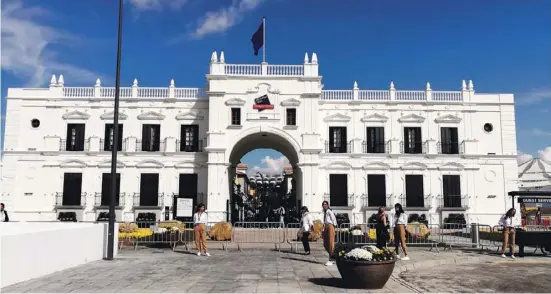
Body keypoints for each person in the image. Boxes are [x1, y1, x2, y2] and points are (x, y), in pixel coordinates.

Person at [322, 201, 338, 266]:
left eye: (325, 204)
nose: (324, 205)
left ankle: (331, 259)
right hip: (326, 226)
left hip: (330, 226)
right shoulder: (325, 212)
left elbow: (333, 219)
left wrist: (334, 226)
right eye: (323, 204)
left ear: (328, 205)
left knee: (330, 242)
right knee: (325, 243)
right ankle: (333, 256)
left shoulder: (329, 211)